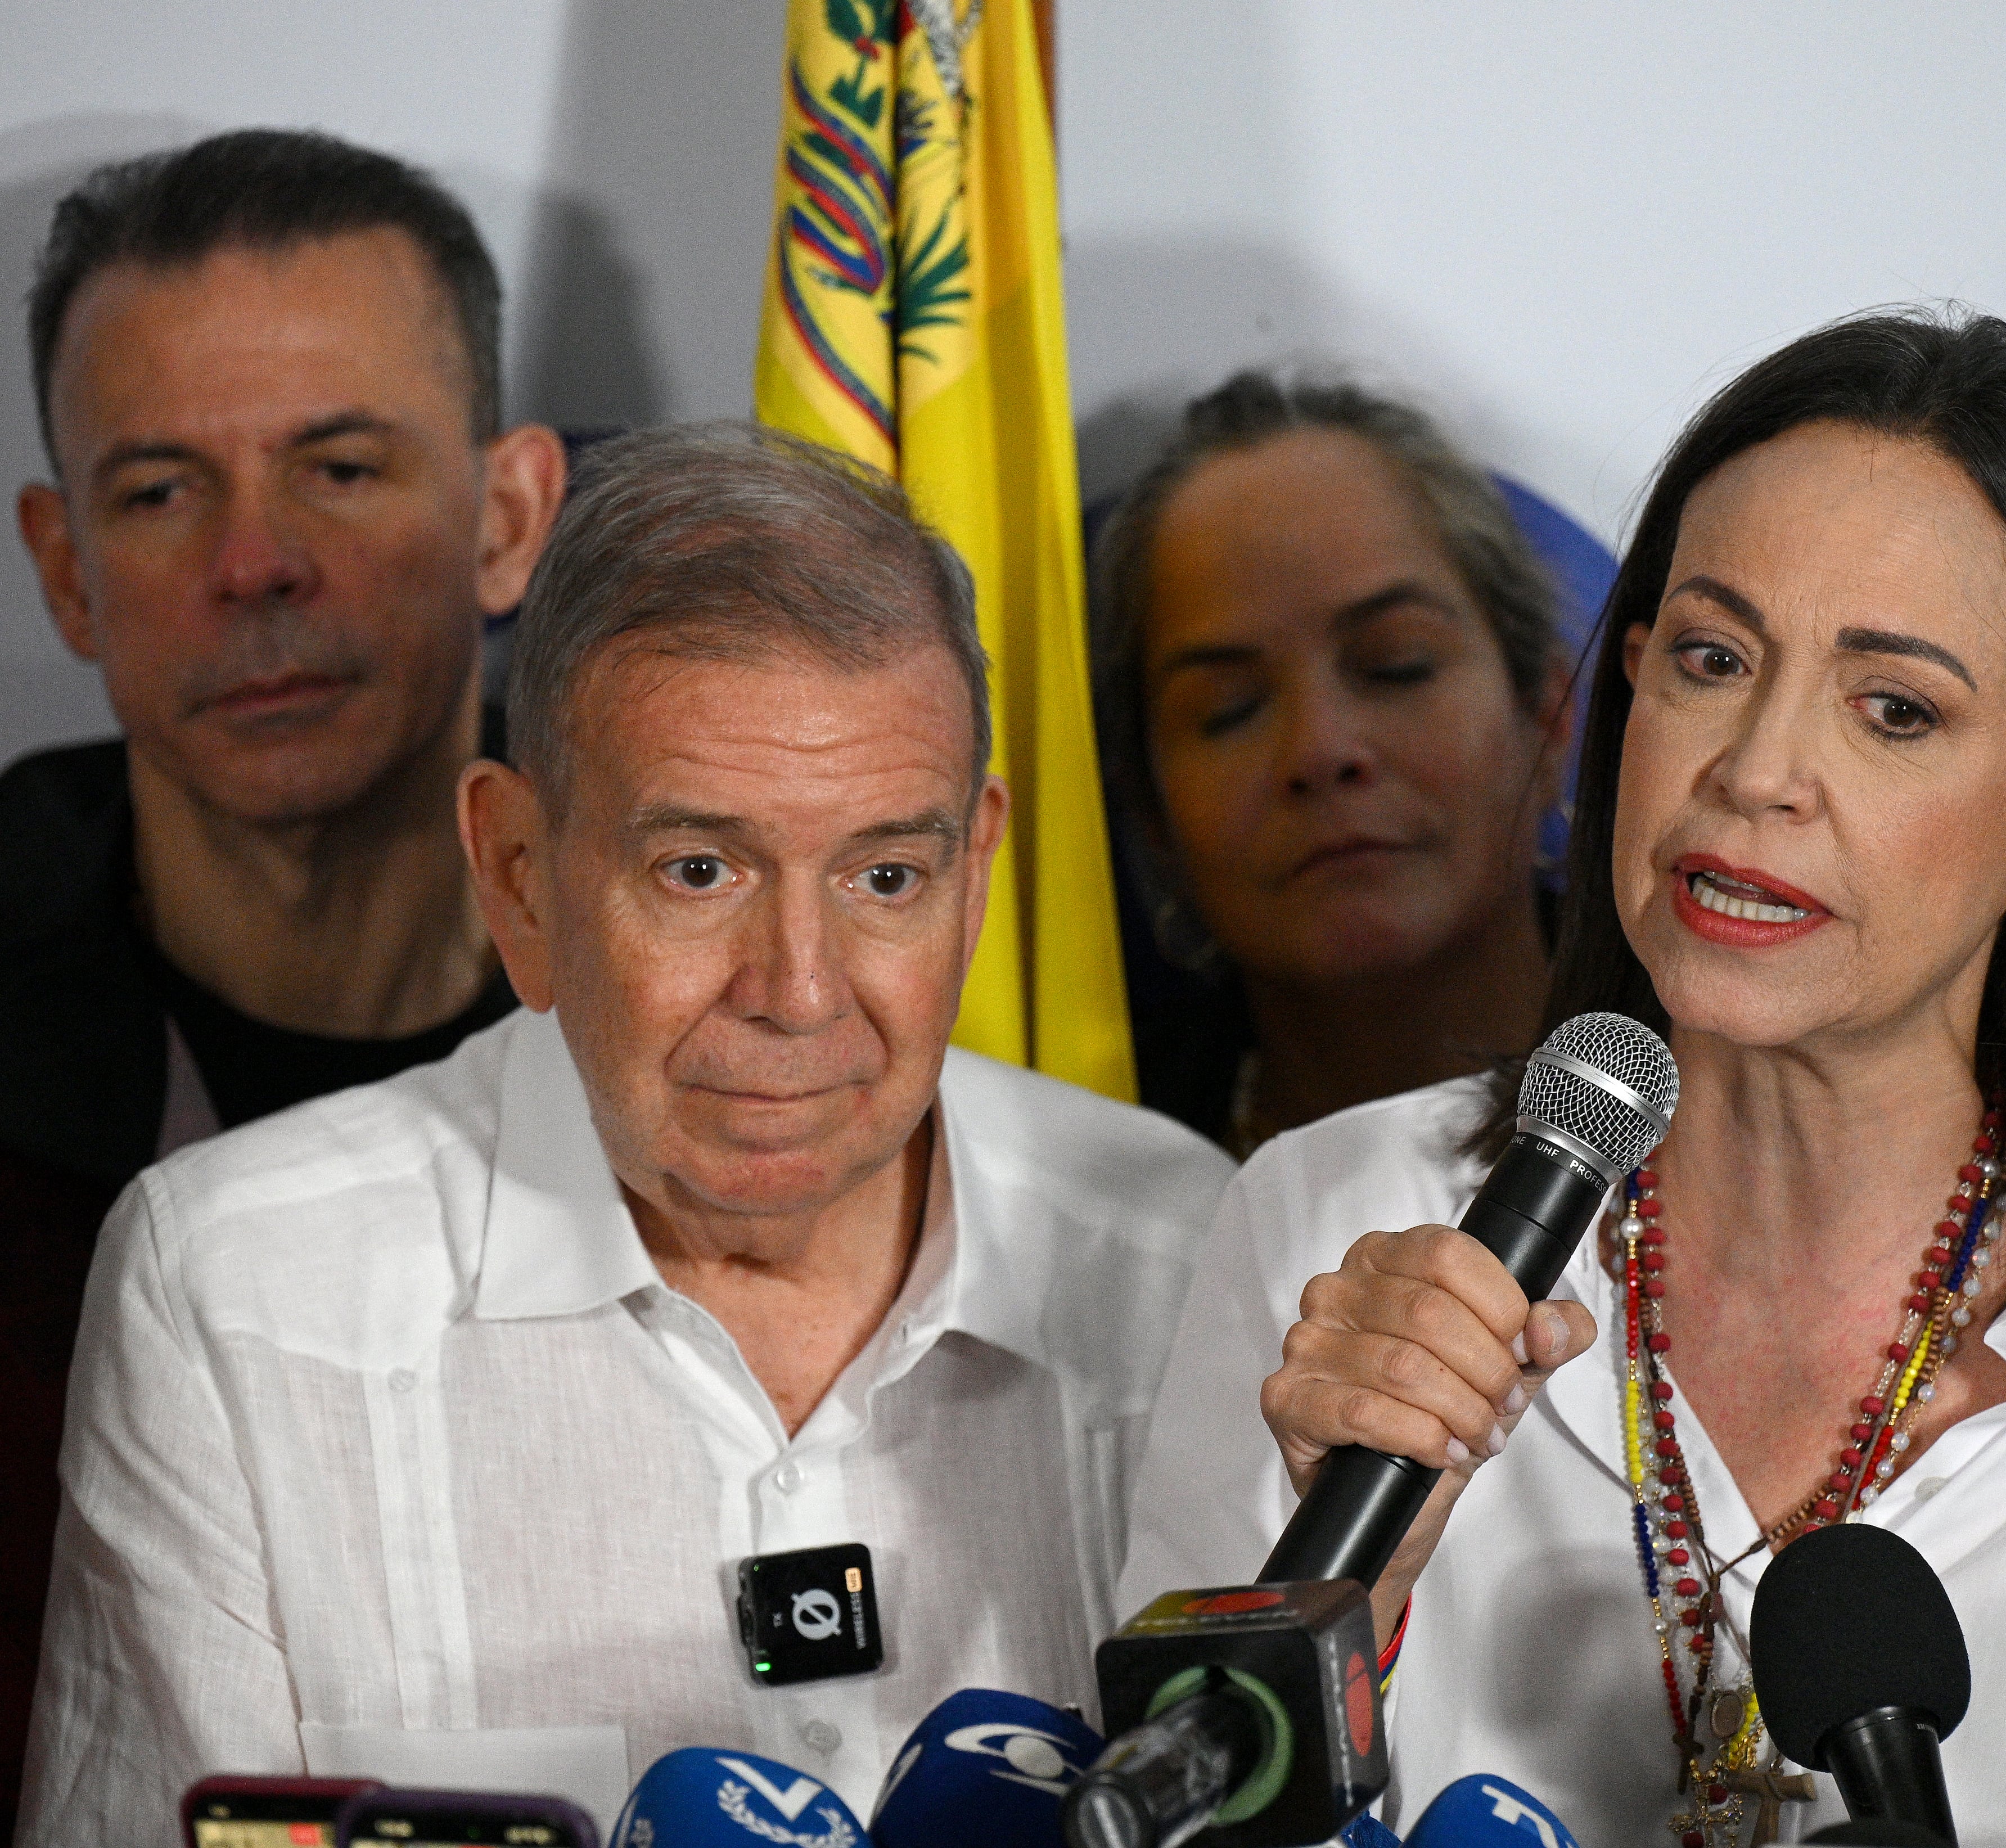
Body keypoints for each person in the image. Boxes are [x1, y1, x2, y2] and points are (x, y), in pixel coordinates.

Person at [1120, 311, 2006, 1845]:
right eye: (1712, 658)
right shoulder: (1334, 1215)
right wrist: (1357, 1597)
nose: (1754, 769)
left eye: (1894, 708)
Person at [19, 424, 1234, 1846]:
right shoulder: (237, 1292)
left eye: (887, 875)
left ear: (975, 876)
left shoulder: (1182, 1245)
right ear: (518, 875)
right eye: (700, 869)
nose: (798, 990)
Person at [0, 129, 565, 1828]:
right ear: (66, 569)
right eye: (161, 490)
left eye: (339, 465)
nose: (256, 562)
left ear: (509, 517)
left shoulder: (727, 1019)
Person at [1088, 372, 1572, 1155]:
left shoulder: (1745, 1087)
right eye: (1230, 710)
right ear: (1152, 816)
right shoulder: (1085, 1188)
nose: (1321, 748)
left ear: (1548, 717)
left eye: (1396, 665)